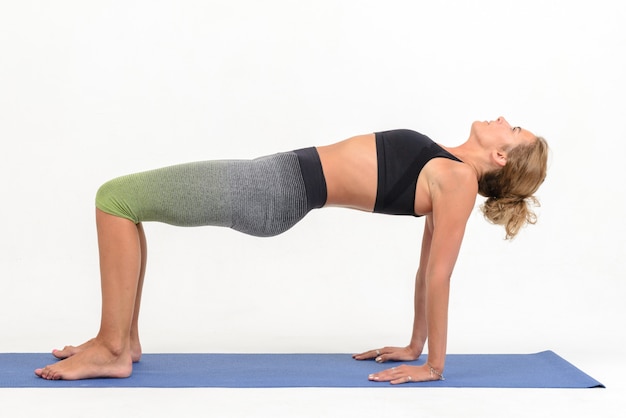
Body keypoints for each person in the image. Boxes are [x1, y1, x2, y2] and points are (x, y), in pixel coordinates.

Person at [35, 117, 548, 383]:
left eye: (515, 127)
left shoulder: (457, 178)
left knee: (115, 199)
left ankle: (112, 348)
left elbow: (438, 276)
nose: (505, 117)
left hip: (272, 190)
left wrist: (433, 365)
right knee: (125, 201)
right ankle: (121, 340)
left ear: (500, 155)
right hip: (273, 179)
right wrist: (413, 346)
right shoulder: (446, 165)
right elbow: (424, 271)